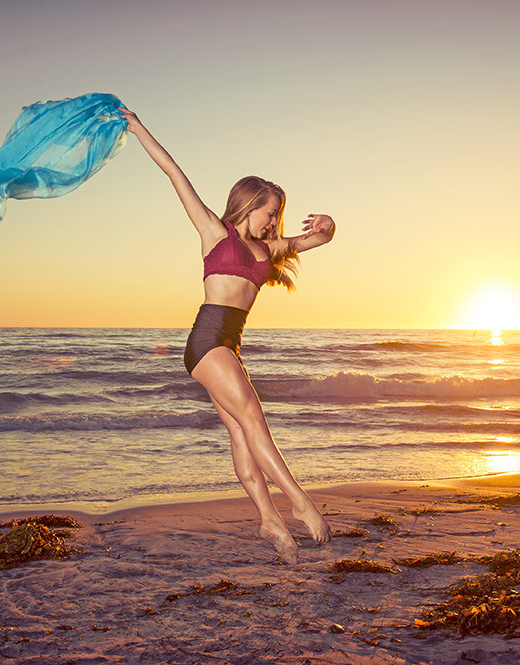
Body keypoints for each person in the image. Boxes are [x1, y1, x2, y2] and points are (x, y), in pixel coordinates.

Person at [120, 109, 335, 564]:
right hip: (207, 341)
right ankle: (301, 505)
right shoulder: (214, 233)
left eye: (278, 215)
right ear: (248, 203)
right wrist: (139, 129)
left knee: (240, 432)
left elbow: (319, 240)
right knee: (254, 419)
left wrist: (327, 226)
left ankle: (269, 520)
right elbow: (175, 174)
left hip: (228, 345)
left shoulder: (268, 248)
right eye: (269, 212)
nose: (273, 221)